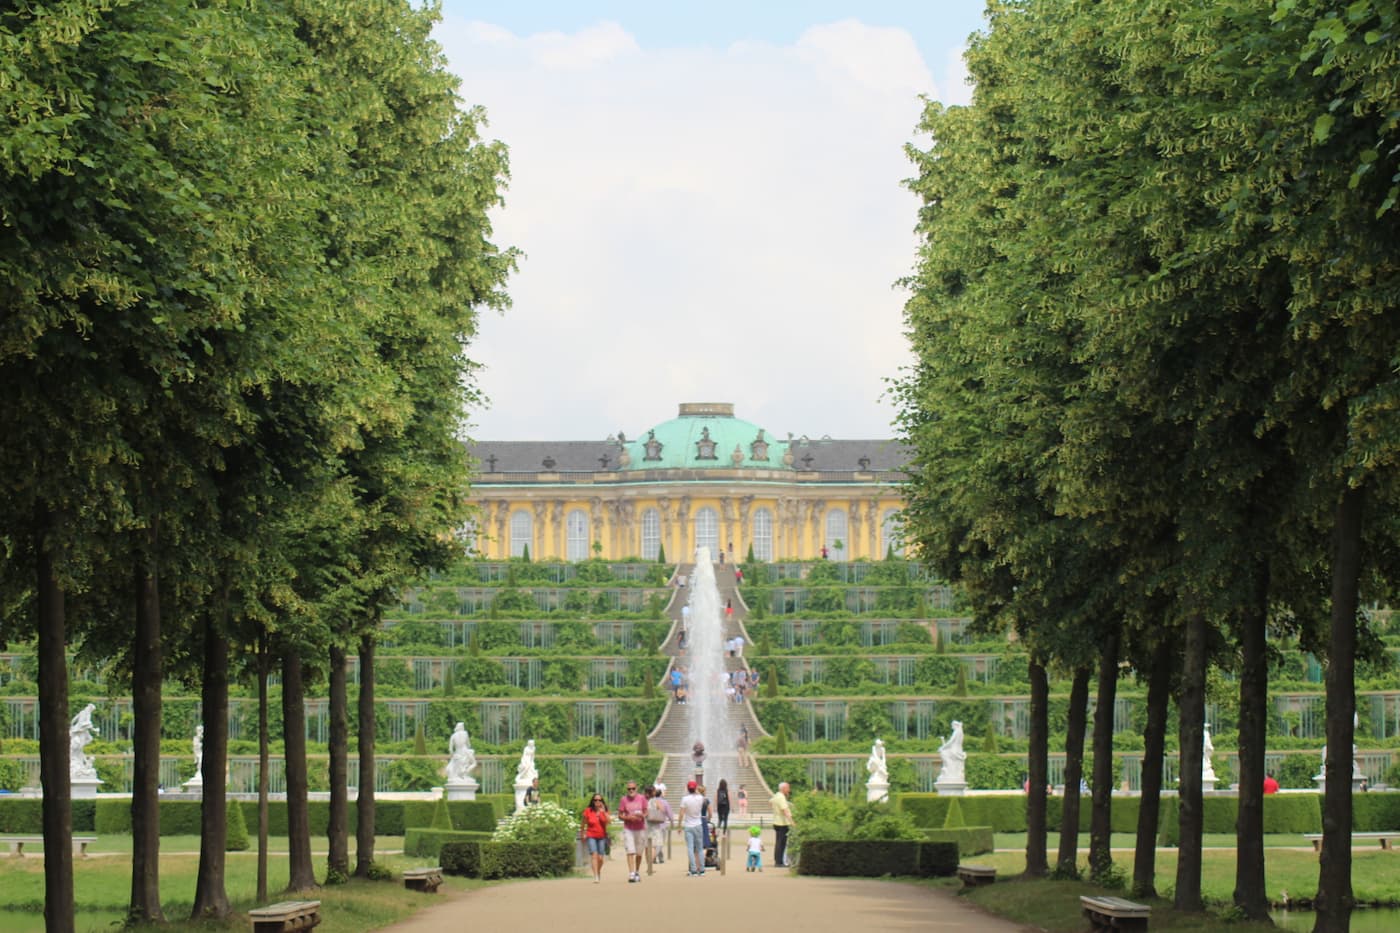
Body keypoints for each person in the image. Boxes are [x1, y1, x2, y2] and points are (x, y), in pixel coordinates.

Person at [617, 780, 648, 883]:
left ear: (636, 788)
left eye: (633, 788)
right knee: (630, 851)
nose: (631, 790)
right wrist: (627, 817)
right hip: (629, 828)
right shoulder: (623, 800)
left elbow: (646, 811)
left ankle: (637, 872)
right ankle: (631, 873)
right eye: (629, 789)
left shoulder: (642, 798)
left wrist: (642, 816)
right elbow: (620, 814)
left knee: (639, 853)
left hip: (640, 828)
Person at [581, 792, 611, 883]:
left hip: (601, 836)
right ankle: (596, 876)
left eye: (599, 800)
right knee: (594, 855)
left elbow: (609, 822)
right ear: (593, 801)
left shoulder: (605, 810)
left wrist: (603, 812)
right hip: (591, 835)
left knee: (601, 858)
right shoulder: (588, 811)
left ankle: (598, 871)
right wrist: (583, 833)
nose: (597, 802)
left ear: (602, 801)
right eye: (595, 800)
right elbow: (583, 823)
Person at [680, 780, 707, 876]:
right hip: (698, 824)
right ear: (695, 788)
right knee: (699, 848)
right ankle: (702, 869)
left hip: (688, 825)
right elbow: (702, 795)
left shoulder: (685, 799)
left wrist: (679, 825)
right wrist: (697, 791)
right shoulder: (700, 798)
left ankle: (693, 869)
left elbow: (681, 813)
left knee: (690, 849)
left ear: (688, 788)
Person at [646, 783, 673, 867]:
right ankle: (651, 861)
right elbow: (664, 810)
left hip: (647, 825)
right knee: (657, 844)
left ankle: (651, 861)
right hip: (657, 825)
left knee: (649, 845)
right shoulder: (658, 801)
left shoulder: (645, 801)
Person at [771, 781, 795, 868]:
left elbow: (770, 801)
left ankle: (777, 860)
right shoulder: (781, 798)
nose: (789, 790)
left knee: (778, 842)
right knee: (782, 843)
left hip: (776, 822)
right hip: (782, 823)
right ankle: (779, 862)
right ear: (784, 788)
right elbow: (785, 811)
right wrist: (792, 822)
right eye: (788, 788)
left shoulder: (776, 795)